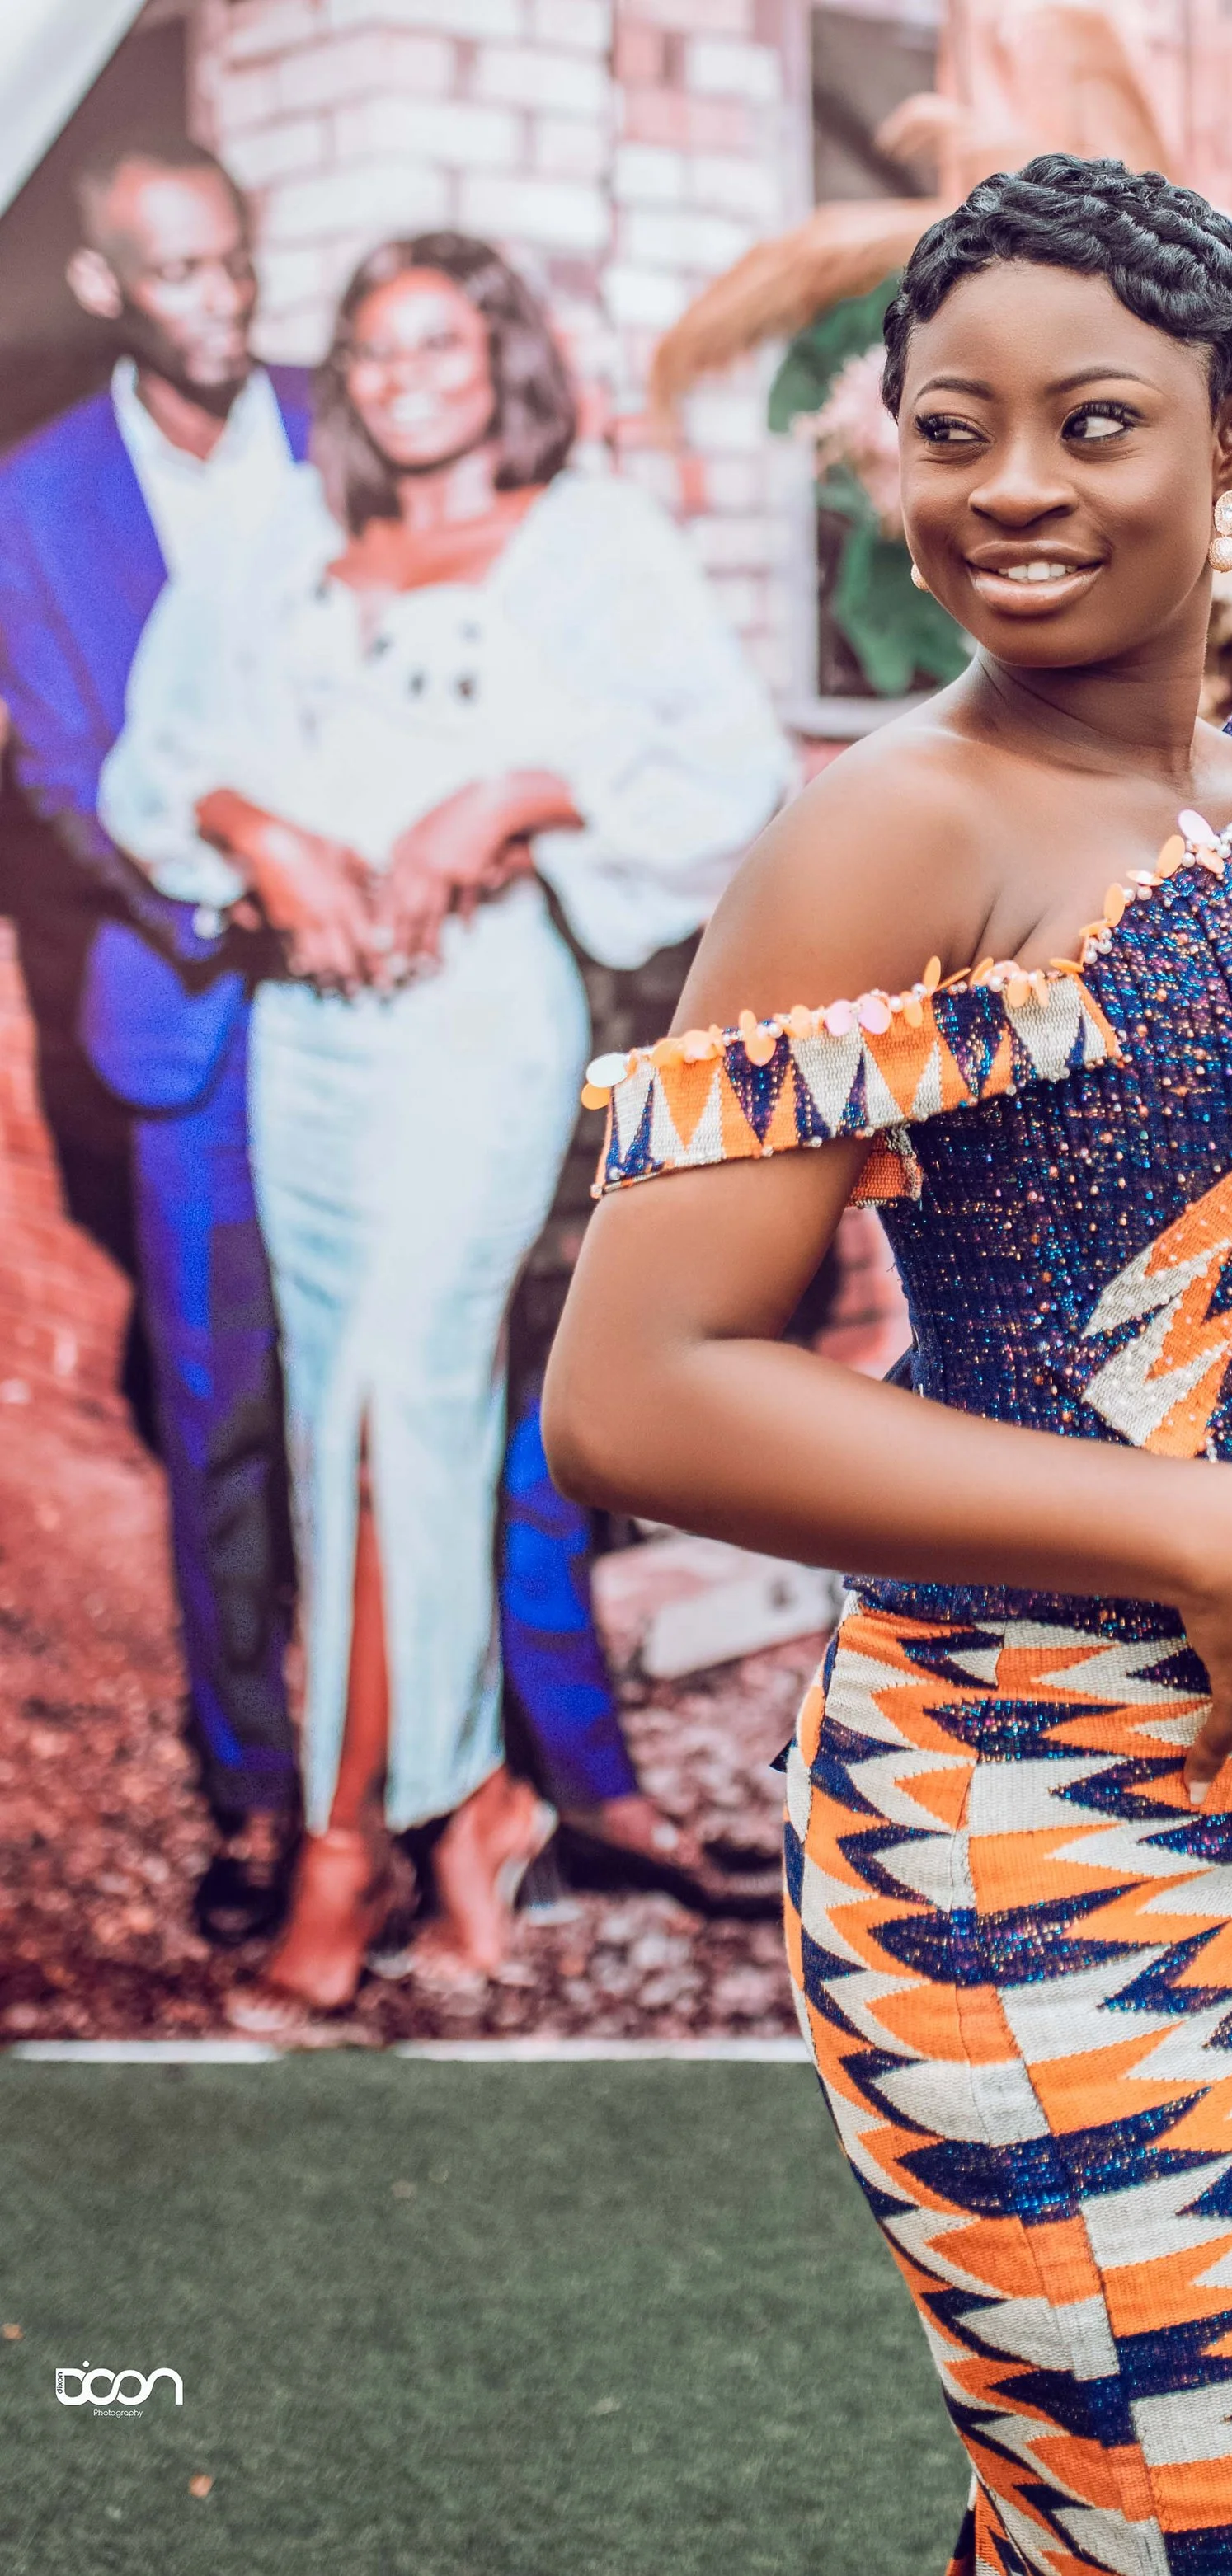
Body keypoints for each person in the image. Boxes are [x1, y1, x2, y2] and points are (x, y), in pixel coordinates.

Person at [545, 157, 1232, 2573]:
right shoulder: (887, 831)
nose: (1008, 487)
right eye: (948, 429)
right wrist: (1186, 1519)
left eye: (1091, 422)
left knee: (1124, 2524)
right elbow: (641, 1384)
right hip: (1025, 1833)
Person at [100, 232, 790, 2023]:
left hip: (477, 1022)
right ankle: (469, 1800)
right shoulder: (280, 545)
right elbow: (153, 762)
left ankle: (348, 1842)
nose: (403, 376)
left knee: (395, 1406)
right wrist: (264, 832)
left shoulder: (590, 540)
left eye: (438, 342)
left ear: (500, 357)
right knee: (346, 1430)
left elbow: (728, 772)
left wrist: (516, 788)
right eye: (371, 349)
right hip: (305, 1039)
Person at [0, 136, 308, 1944]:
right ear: (109, 286)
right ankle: (252, 1791)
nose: (216, 305)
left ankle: (422, 1786)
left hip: (401, 1002)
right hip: (190, 1004)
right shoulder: (33, 499)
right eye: (173, 274)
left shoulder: (347, 423)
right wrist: (215, 904)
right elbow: (53, 755)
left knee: (415, 1405)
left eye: (233, 265)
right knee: (221, 1417)